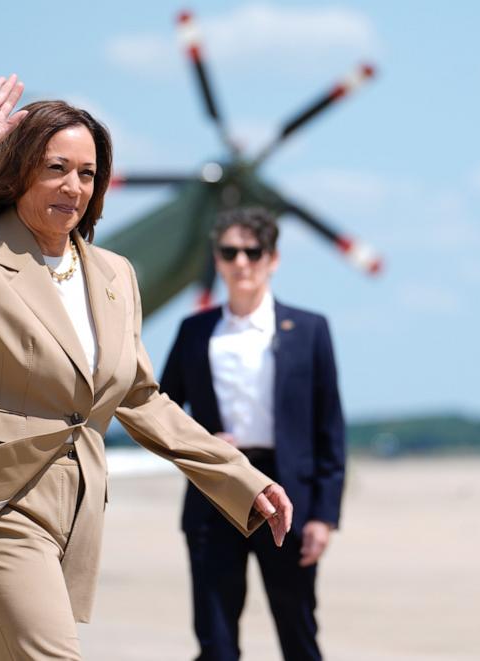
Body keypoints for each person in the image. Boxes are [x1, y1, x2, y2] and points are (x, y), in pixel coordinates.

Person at [0, 74, 293, 661]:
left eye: (87, 173)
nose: (73, 186)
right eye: (55, 168)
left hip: (72, 515)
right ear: (19, 173)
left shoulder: (114, 275)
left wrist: (242, 478)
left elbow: (142, 399)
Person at [160, 207, 346, 661]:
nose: (241, 261)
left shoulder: (309, 329)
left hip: (287, 494)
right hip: (216, 490)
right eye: (229, 252)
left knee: (298, 633)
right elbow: (160, 408)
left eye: (252, 251)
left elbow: (330, 428)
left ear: (272, 258)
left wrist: (324, 515)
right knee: (216, 641)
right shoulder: (195, 331)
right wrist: (203, 445)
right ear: (218, 260)